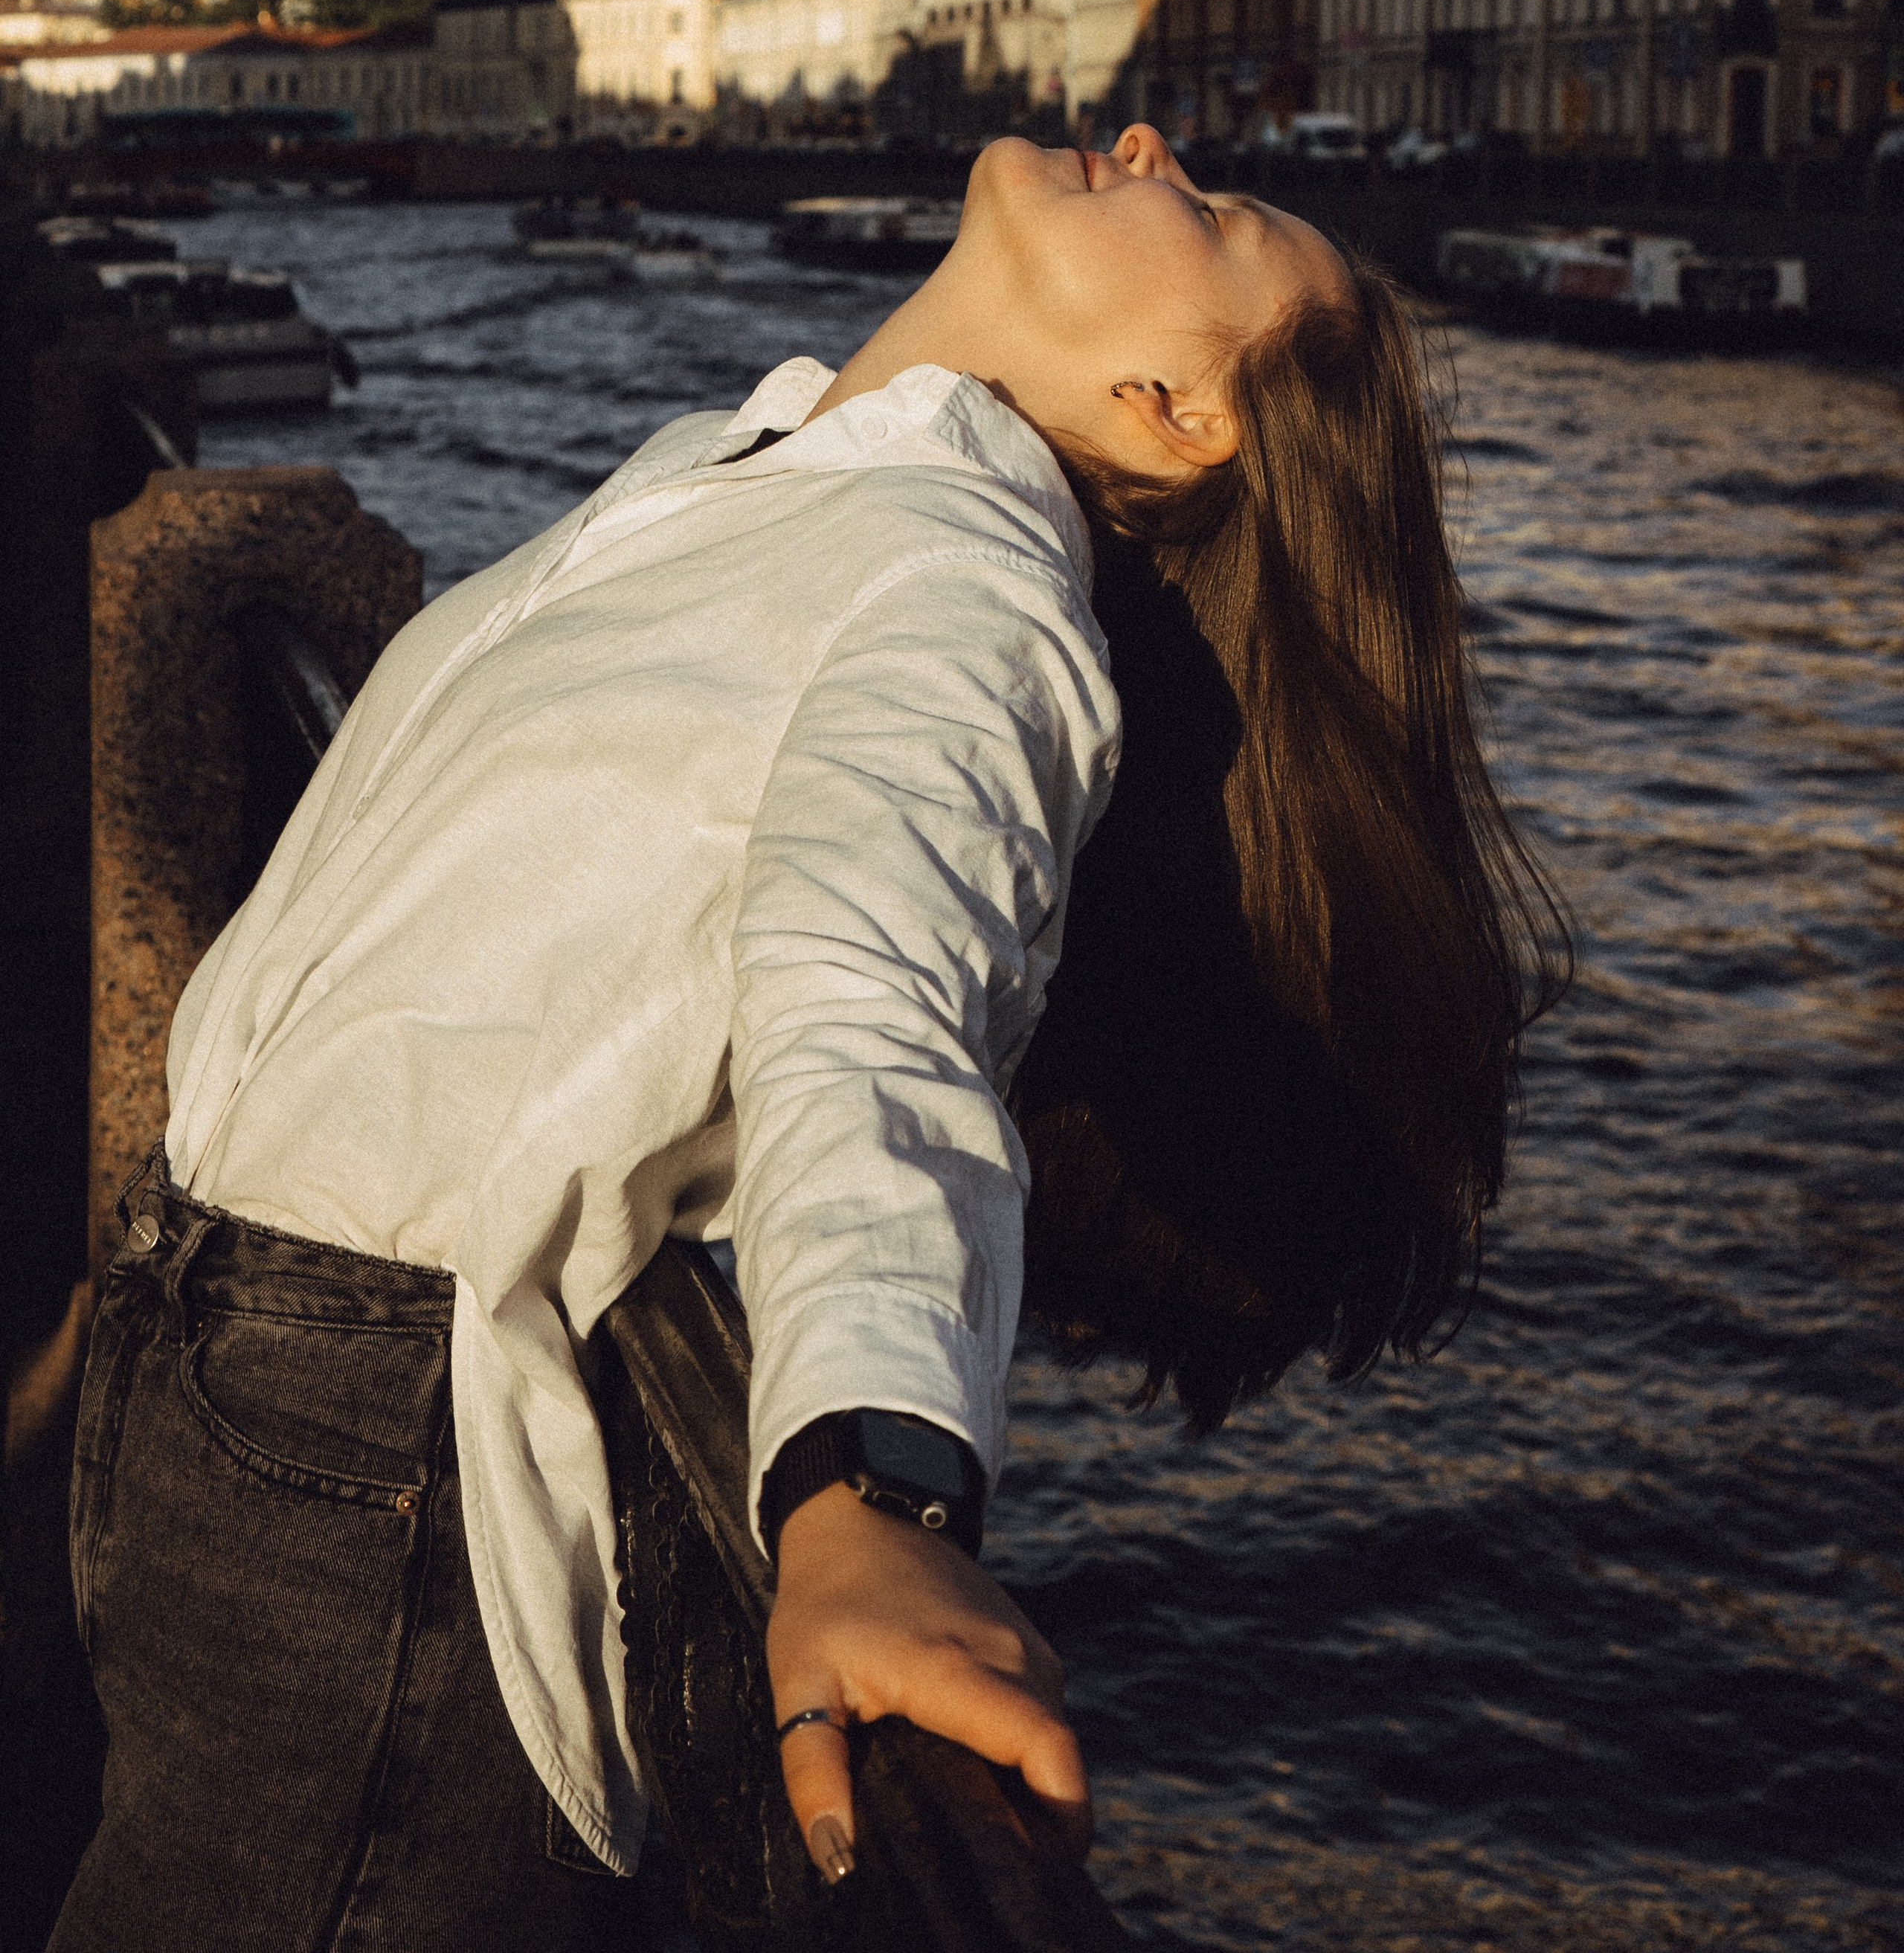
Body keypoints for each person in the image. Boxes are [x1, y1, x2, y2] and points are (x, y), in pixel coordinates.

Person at [54, 126, 1557, 1952]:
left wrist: (866, 1487)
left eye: (1221, 218)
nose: (1155, 145)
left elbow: (873, 1002)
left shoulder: (973, 601)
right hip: (224, 1361)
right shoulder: (752, 467)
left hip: (369, 1470)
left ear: (1177, 409)